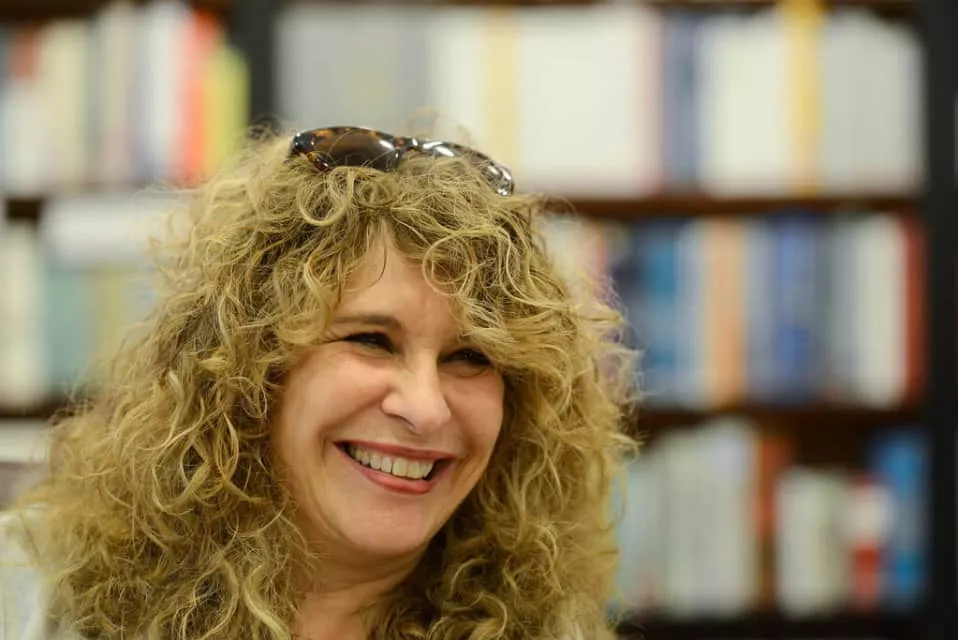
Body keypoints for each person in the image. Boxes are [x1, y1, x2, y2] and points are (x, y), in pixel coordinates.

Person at [0, 126, 639, 639]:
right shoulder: (33, 595)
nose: (424, 408)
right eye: (371, 340)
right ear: (247, 365)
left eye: (471, 357)